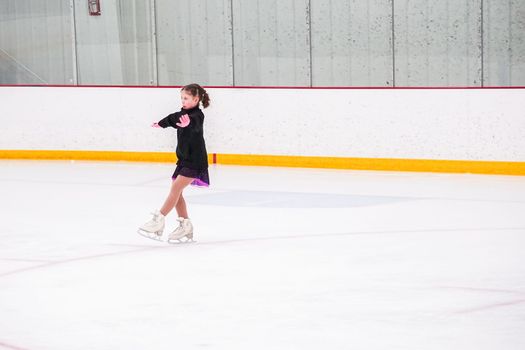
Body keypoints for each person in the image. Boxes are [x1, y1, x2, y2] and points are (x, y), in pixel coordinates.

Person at [138, 83, 210, 243]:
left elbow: (195, 125)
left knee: (176, 189)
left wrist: (188, 124)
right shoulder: (182, 113)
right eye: (182, 98)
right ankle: (185, 225)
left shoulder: (197, 116)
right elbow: (173, 118)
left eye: (186, 98)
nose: (183, 101)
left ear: (196, 99)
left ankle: (159, 219)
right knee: (177, 191)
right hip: (184, 160)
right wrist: (161, 124)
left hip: (195, 161)